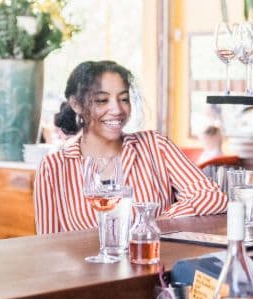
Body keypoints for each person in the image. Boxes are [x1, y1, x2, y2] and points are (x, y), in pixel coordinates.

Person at [34, 60, 228, 234]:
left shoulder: (155, 146)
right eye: (102, 100)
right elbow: (47, 247)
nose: (117, 109)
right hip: (90, 274)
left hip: (155, 268)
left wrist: (152, 223)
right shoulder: (53, 168)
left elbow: (213, 197)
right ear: (76, 104)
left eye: (124, 99)